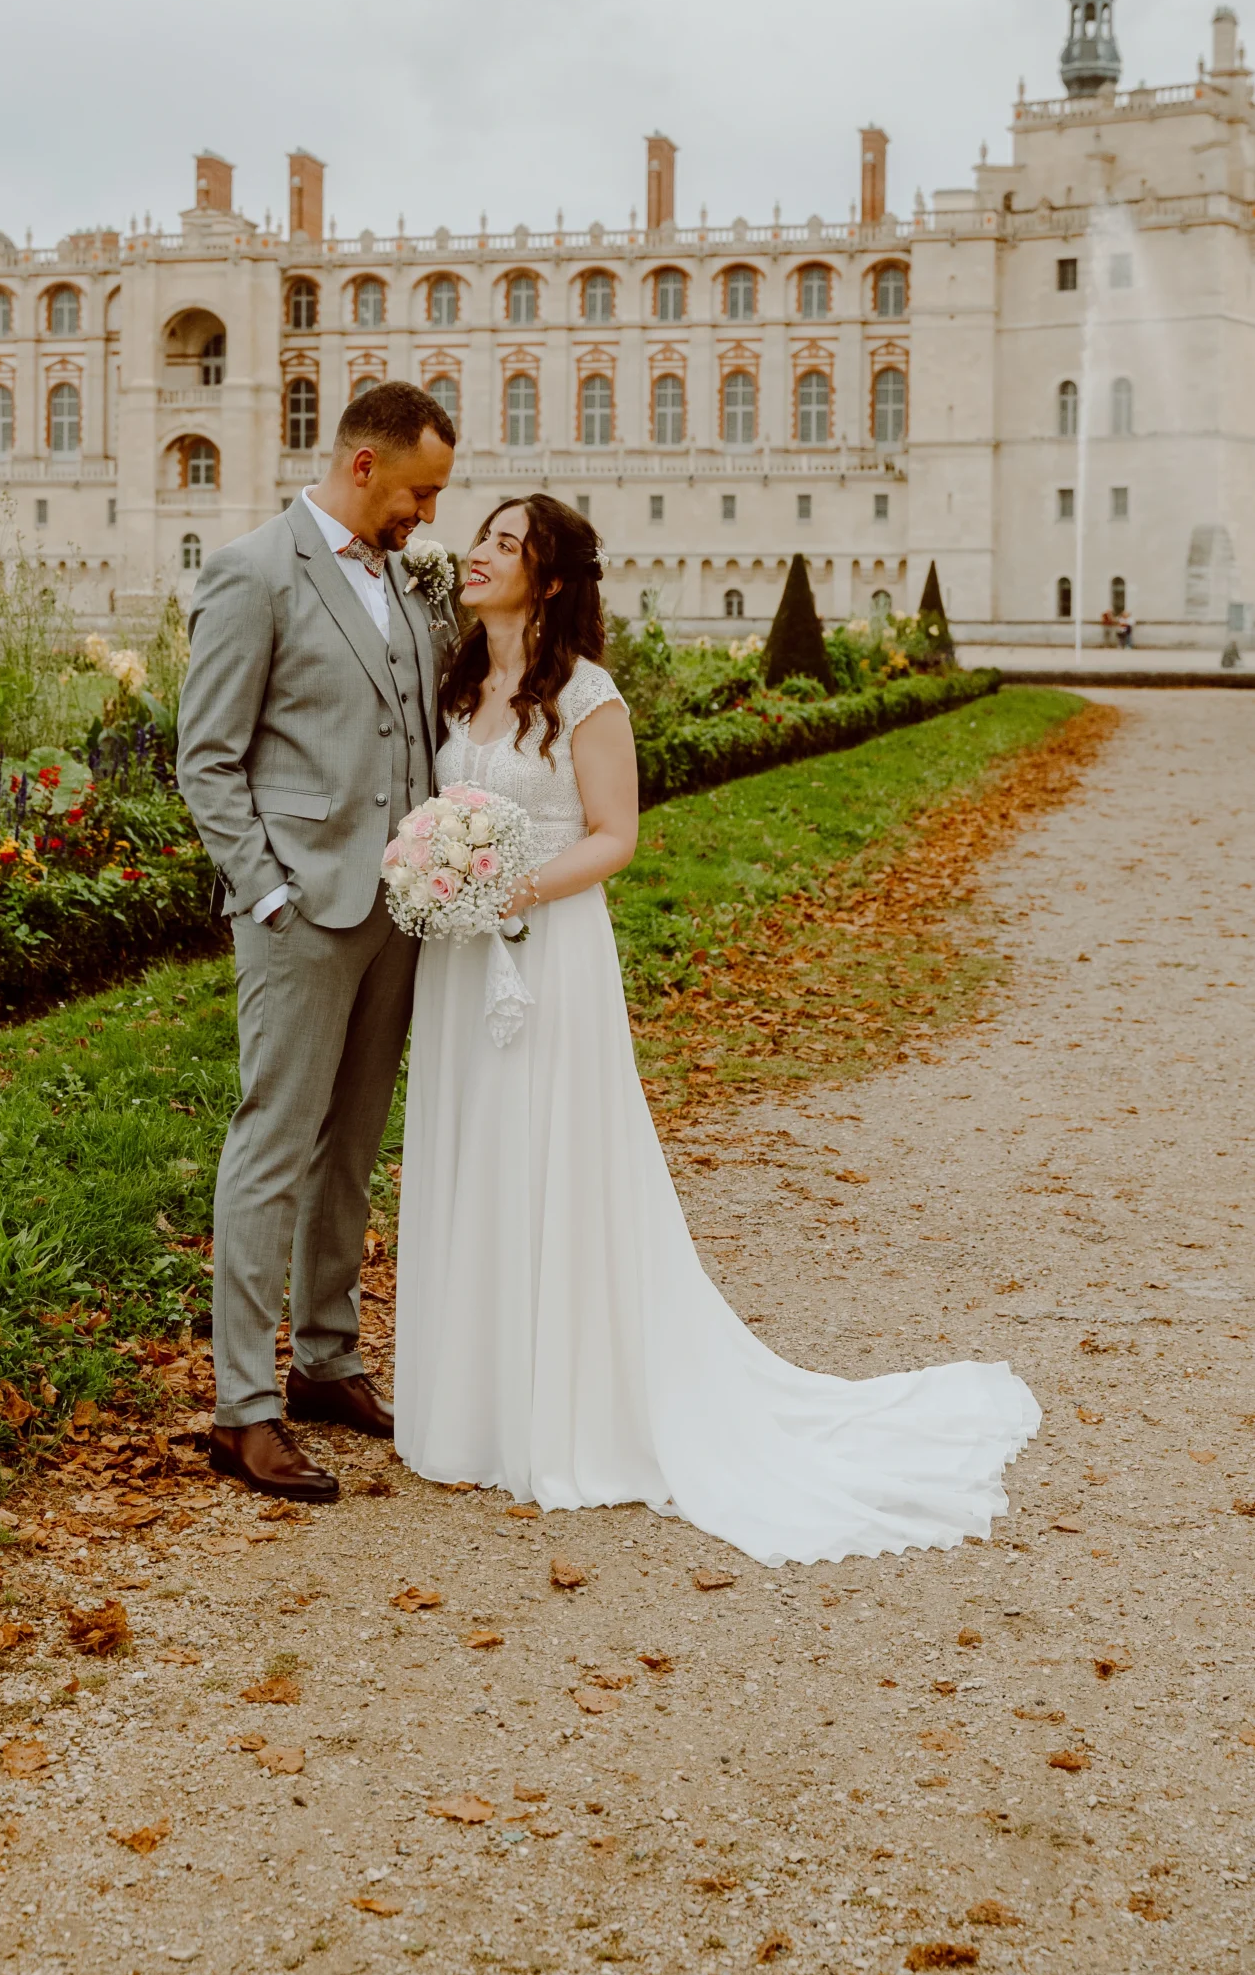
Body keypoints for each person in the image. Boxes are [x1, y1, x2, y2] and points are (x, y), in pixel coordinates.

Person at [393, 494, 1040, 1565]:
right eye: (484, 536)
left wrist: (508, 890)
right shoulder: (459, 680)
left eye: (509, 545)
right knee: (476, 1154)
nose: (479, 554)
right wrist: (439, 879)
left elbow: (617, 838)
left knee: (550, 1152)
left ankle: (560, 1407)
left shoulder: (589, 697)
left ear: (550, 579)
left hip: (545, 950)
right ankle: (474, 1406)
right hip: (461, 962)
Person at [177, 382, 458, 1502]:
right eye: (418, 492)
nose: (427, 515)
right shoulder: (254, 570)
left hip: (398, 912)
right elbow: (207, 756)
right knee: (274, 1143)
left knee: (351, 1147)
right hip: (301, 911)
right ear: (361, 466)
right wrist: (269, 894)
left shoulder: (399, 575)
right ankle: (242, 1409)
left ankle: (325, 1360)